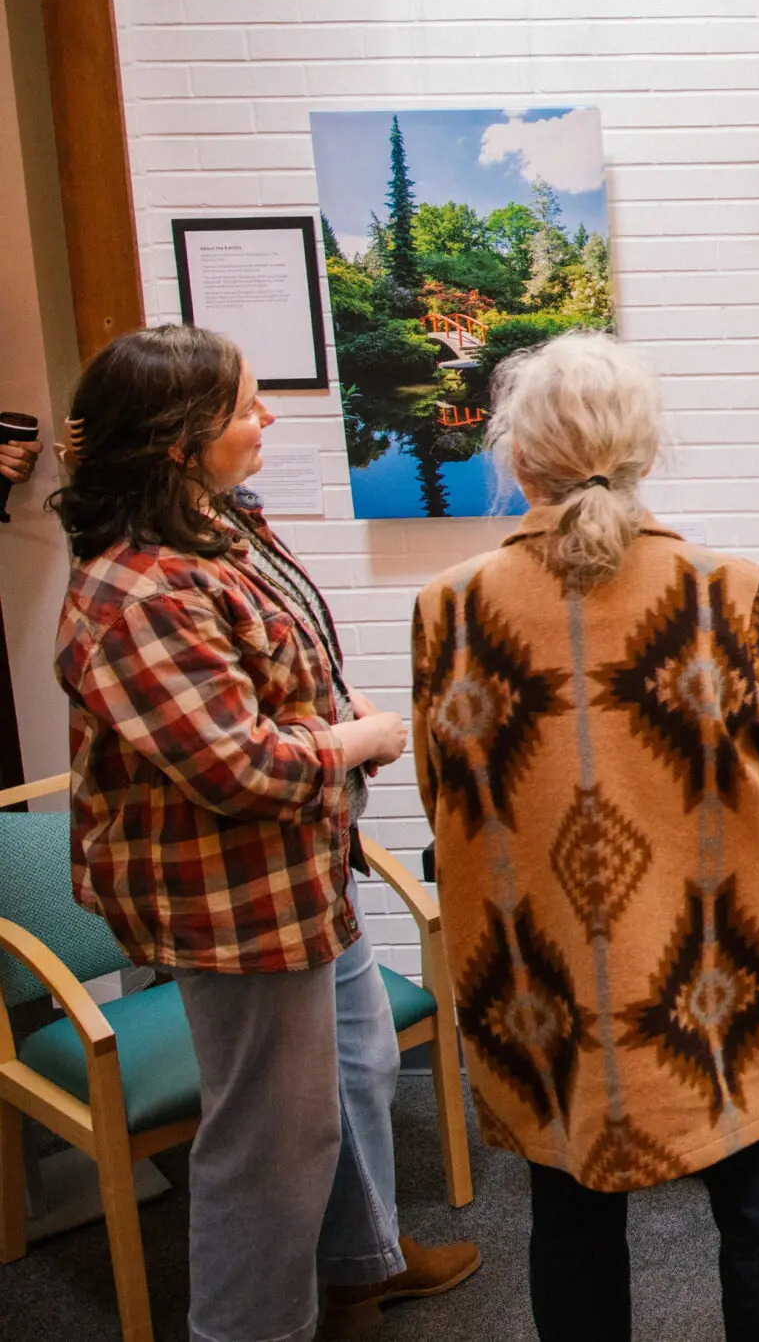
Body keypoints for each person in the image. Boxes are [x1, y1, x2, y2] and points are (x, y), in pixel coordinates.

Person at [412, 333, 759, 1342]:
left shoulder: (451, 607)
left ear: (516, 460)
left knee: (568, 1217)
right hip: (724, 959)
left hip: (544, 972)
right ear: (645, 455)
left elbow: (445, 796)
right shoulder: (723, 590)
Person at [49, 325, 478, 1342]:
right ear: (179, 437)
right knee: (266, 1146)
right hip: (233, 903)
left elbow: (279, 661)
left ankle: (359, 1267)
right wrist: (354, 737)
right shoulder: (133, 590)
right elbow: (235, 768)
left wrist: (334, 707)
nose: (268, 417)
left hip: (305, 872)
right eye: (247, 406)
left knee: (361, 1069)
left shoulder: (219, 522)